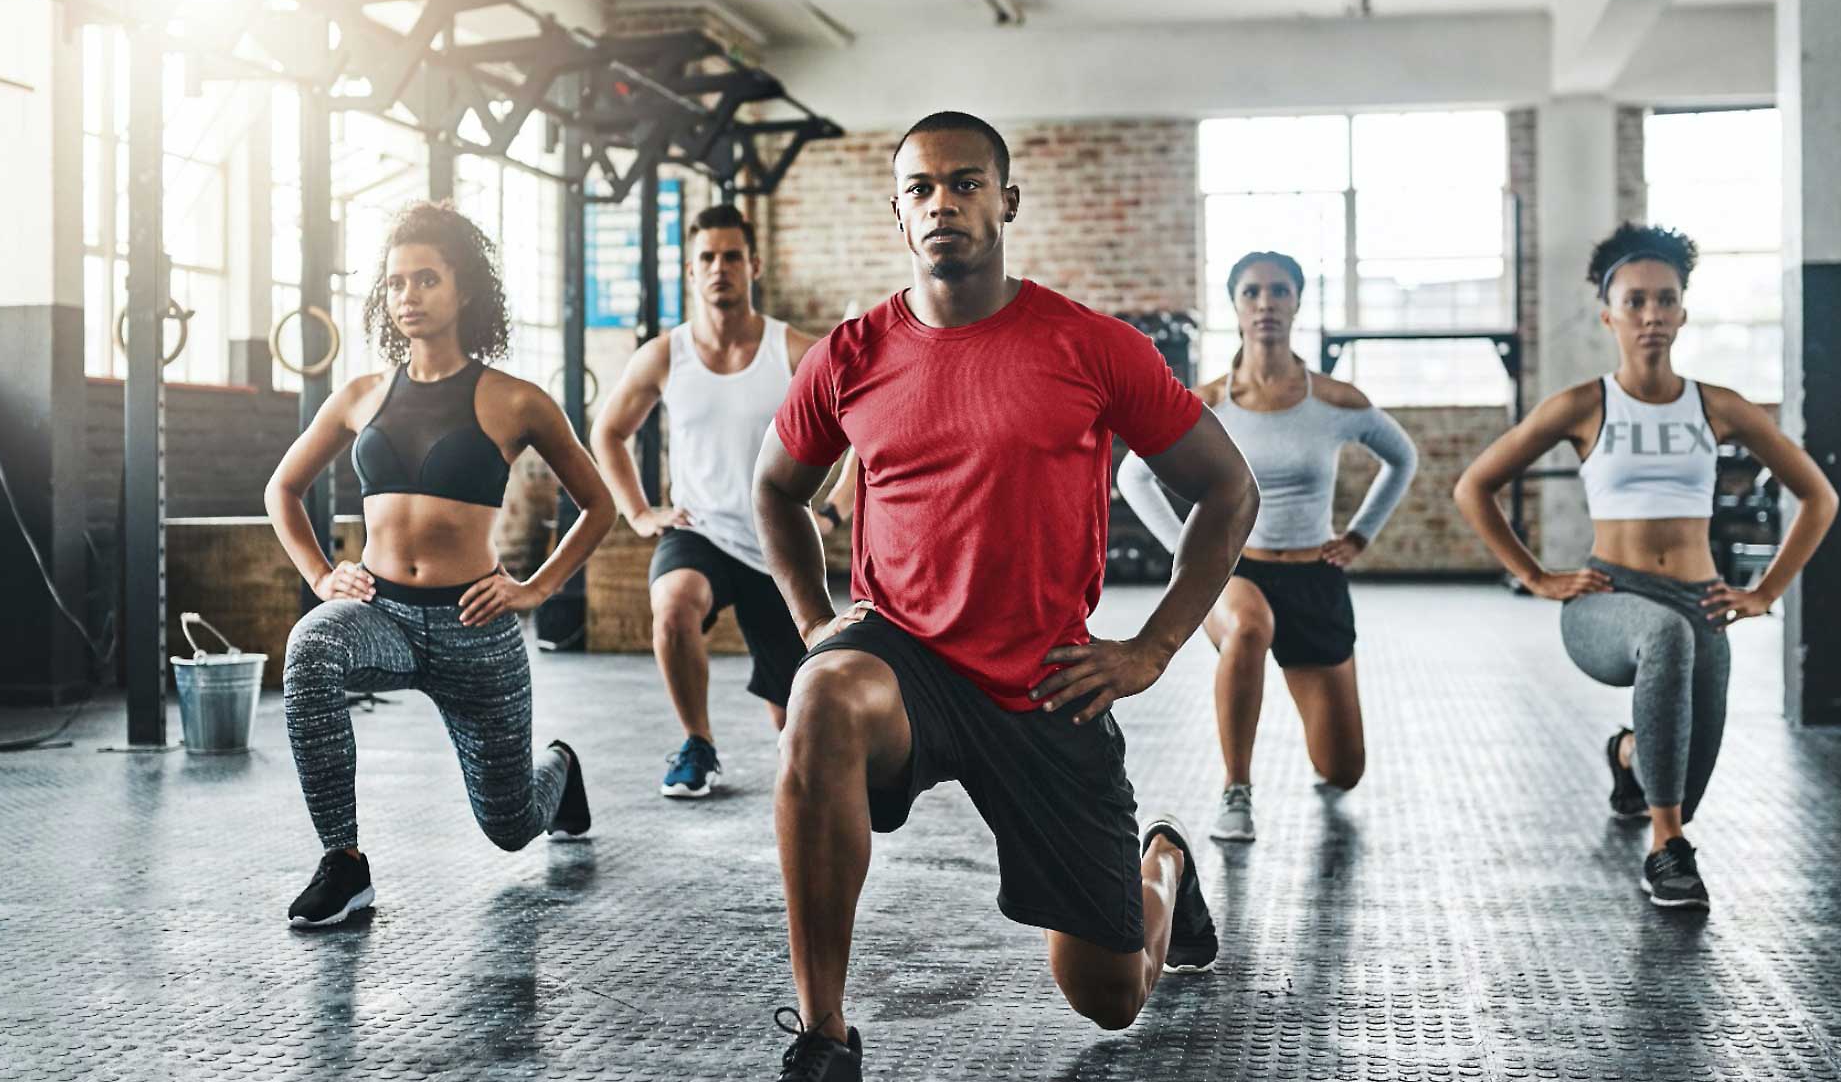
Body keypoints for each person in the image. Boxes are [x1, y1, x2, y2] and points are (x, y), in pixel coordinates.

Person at [753, 112, 1261, 1080]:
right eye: (919, 188)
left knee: (1108, 997)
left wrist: (1150, 647)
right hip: (901, 661)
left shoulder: (1089, 345)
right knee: (819, 696)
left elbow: (1227, 490)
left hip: (1045, 682)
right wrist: (817, 623)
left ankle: (1164, 866)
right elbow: (774, 488)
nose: (941, 202)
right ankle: (823, 1034)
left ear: (1006, 199)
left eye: (965, 182)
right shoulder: (852, 355)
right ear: (898, 215)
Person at [1452, 222, 1838, 910]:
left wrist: (1765, 591)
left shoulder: (1719, 406)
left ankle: (1632, 758)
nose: (1651, 315)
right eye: (1635, 302)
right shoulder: (1581, 405)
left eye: (1665, 300)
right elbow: (1472, 486)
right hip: (1608, 597)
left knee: (1683, 776)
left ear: (1683, 311)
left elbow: (1818, 496)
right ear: (1609, 314)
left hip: (1702, 599)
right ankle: (1666, 848)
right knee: (1665, 638)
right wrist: (1538, 576)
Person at [264, 201, 616, 928]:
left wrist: (536, 588)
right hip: (382, 616)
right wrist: (322, 576)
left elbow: (598, 505)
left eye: (426, 280)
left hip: (474, 629)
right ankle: (344, 864)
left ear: (464, 293)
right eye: (395, 284)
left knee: (510, 825)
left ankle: (561, 770)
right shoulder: (361, 395)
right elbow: (283, 488)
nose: (408, 297)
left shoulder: (515, 401)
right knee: (312, 647)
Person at [1116, 251, 1417, 843]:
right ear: (1236, 305)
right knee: (1249, 625)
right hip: (1237, 571)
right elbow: (1133, 476)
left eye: (1279, 292)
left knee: (1343, 769)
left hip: (1315, 579)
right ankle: (1237, 790)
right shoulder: (1205, 402)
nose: (1266, 304)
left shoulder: (1334, 400)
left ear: (1297, 302)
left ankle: (1320, 758)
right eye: (1252, 293)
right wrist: (1191, 554)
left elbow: (1401, 458)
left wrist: (1360, 534)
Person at [590, 203, 856, 799]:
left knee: (797, 727)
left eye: (731, 256)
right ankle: (697, 743)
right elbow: (607, 432)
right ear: (690, 272)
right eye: (706, 258)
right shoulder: (666, 355)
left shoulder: (792, 351)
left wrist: (836, 505)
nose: (719, 268)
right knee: (674, 603)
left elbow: (866, 425)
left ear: (753, 265)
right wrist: (639, 512)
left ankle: (798, 760)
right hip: (699, 530)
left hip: (778, 541)